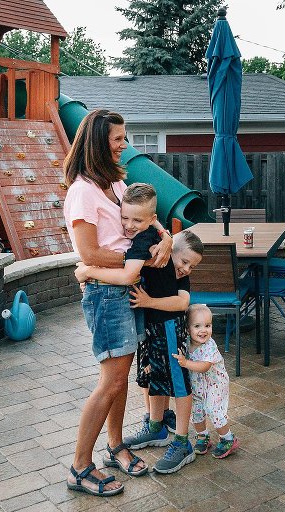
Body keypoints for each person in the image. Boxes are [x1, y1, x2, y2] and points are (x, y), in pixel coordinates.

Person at [63, 109, 172, 497]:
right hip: (106, 295)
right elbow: (89, 251)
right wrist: (135, 258)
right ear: (97, 142)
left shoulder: (117, 184)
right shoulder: (82, 192)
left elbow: (147, 218)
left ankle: (115, 445)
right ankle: (79, 466)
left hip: (125, 292)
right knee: (110, 382)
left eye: (124, 137)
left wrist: (166, 238)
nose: (124, 145)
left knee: (121, 377)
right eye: (118, 139)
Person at [76, 192, 205, 474]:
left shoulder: (159, 255)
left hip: (170, 327)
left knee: (179, 381)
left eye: (190, 266)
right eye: (182, 262)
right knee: (154, 377)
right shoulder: (154, 249)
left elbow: (182, 302)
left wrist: (87, 271)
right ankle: (156, 427)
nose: (184, 269)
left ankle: (182, 442)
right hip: (151, 327)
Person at [173, 304, 240, 459]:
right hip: (198, 384)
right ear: (188, 329)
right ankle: (202, 437)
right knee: (196, 411)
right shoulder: (187, 343)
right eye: (197, 326)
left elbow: (204, 367)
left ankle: (228, 439)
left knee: (213, 409)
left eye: (208, 325)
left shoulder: (210, 346)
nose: (203, 330)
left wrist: (185, 363)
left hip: (215, 384)